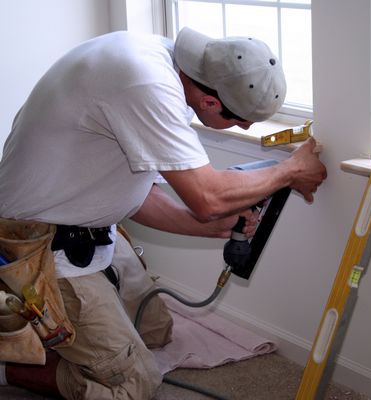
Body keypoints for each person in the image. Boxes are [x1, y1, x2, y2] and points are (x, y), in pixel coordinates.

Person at [0, 27, 326, 399]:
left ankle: (53, 335)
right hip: (40, 246)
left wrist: (209, 227)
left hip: (89, 229)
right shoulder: (145, 84)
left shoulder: (168, 65)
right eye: (239, 121)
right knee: (136, 384)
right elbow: (208, 197)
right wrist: (290, 170)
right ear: (209, 104)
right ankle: (13, 365)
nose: (246, 128)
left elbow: (142, 196)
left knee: (155, 330)